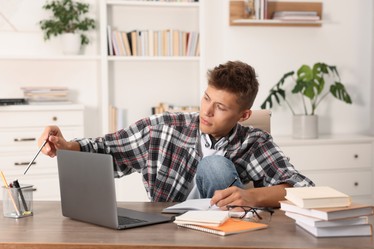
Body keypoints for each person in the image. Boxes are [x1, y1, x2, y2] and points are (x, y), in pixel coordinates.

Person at [38, 60, 314, 210]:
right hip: (168, 231)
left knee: (214, 165)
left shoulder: (253, 142)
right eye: (206, 98)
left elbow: (303, 189)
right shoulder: (163, 127)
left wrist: (251, 197)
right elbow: (107, 149)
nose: (206, 111)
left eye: (220, 107)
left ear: (243, 115)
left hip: (227, 234)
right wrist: (66, 146)